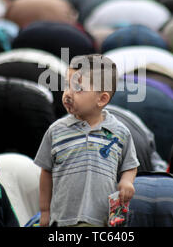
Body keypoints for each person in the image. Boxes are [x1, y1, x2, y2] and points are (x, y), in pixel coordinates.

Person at [34, 54, 140, 227]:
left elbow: (130, 165)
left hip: (102, 219)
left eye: (78, 88)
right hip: (62, 218)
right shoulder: (57, 131)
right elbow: (46, 171)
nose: (68, 94)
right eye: (67, 85)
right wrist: (45, 211)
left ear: (102, 99)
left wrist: (127, 181)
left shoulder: (119, 132)